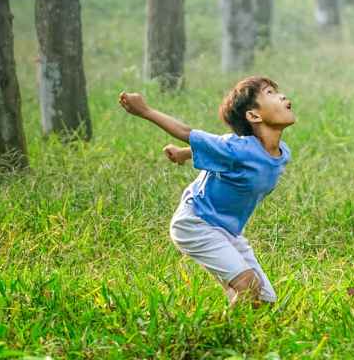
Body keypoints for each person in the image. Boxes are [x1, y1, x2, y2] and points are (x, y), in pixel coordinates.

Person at [118, 77, 295, 304]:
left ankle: (236, 318)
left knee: (264, 301)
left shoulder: (282, 153)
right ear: (253, 116)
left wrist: (183, 153)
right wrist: (145, 110)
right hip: (196, 223)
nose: (281, 96)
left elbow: (220, 152)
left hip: (228, 232)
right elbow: (187, 132)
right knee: (248, 287)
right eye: (270, 93)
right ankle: (214, 335)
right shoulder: (236, 148)